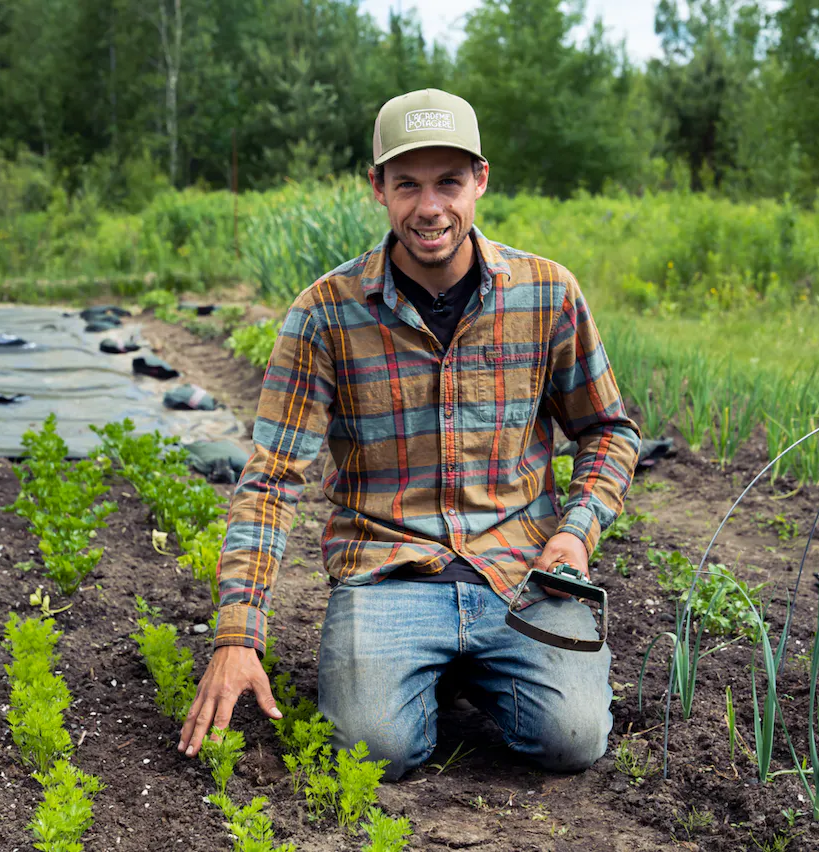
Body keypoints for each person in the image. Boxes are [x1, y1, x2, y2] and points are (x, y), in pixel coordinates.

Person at [178, 88, 640, 780]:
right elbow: (272, 479)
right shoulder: (325, 314)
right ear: (378, 189)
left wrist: (574, 534)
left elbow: (607, 430)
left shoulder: (547, 295)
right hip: (387, 574)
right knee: (372, 752)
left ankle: (460, 673)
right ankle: (421, 673)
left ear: (479, 180)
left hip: (521, 572)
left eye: (449, 183)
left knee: (571, 740)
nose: (430, 208)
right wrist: (237, 634)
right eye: (408, 185)